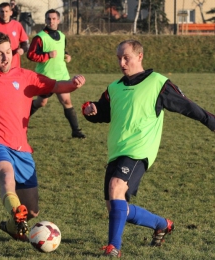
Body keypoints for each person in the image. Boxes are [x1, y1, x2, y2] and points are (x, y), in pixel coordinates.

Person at [82, 39, 215, 257]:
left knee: (116, 187)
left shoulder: (157, 83)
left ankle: (113, 247)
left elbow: (188, 106)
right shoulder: (114, 88)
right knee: (117, 209)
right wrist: (92, 110)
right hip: (116, 150)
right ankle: (162, 224)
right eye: (119, 58)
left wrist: (212, 122)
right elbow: (104, 113)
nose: (122, 62)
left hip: (139, 151)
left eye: (126, 57)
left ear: (140, 56)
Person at [0, 31, 85, 242]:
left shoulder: (26, 76)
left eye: (8, 52)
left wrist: (74, 83)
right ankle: (16, 212)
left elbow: (56, 86)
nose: (5, 58)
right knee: (6, 173)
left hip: (22, 148)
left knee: (33, 211)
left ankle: (11, 224)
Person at [27, 9, 85, 139]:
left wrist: (67, 56)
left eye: (54, 18)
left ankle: (76, 131)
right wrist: (47, 55)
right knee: (41, 103)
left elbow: (62, 50)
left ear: (58, 20)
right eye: (48, 18)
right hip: (45, 77)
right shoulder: (40, 37)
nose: (51, 21)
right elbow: (30, 55)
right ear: (45, 20)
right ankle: (19, 121)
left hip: (62, 75)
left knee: (66, 101)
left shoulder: (62, 36)